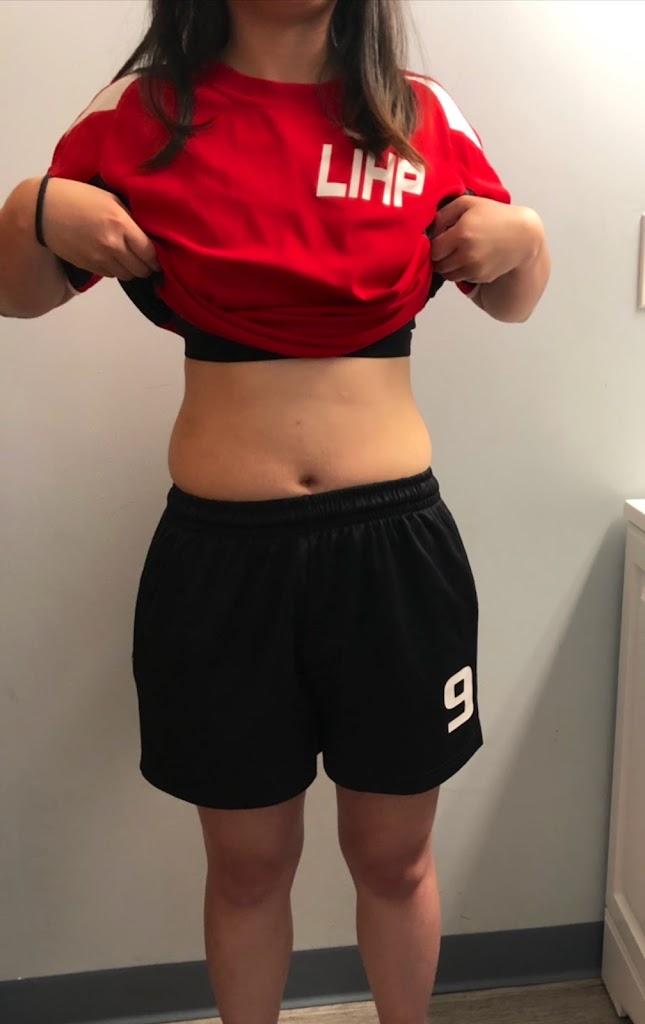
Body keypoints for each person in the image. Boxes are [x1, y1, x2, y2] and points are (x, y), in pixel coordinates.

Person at [0, 1, 550, 1022]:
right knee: (248, 867)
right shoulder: (139, 114)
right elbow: (17, 292)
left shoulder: (418, 114)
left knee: (394, 859)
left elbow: (513, 297)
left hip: (393, 555)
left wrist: (526, 235)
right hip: (223, 560)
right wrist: (31, 209)